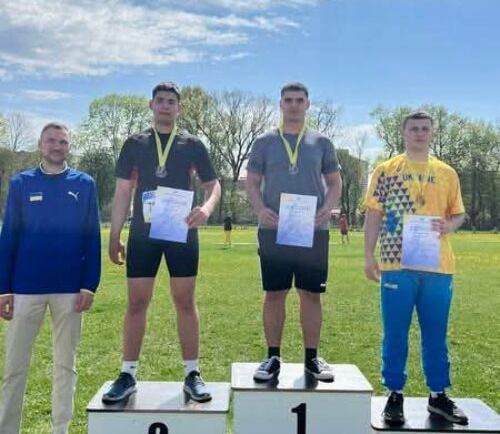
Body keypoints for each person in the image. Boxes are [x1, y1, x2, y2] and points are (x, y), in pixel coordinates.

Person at [102, 82, 221, 404]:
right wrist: (115, 234)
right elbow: (123, 191)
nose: (166, 105)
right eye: (161, 101)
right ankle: (127, 374)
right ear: (151, 105)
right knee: (137, 302)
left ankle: (192, 373)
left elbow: (213, 185)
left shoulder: (192, 144)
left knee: (185, 301)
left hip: (181, 232)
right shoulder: (134, 143)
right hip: (144, 234)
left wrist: (206, 209)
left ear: (179, 108)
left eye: (171, 101)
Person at [364, 110, 468, 426]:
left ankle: (438, 395)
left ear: (432, 133)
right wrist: (368, 255)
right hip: (396, 262)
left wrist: (449, 225)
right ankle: (394, 394)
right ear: (404, 133)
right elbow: (374, 215)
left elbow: (458, 214)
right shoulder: (386, 170)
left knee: (436, 332)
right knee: (395, 331)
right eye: (414, 129)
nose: (420, 133)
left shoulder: (447, 172)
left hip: (438, 265)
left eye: (425, 128)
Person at [0, 122, 101, 434]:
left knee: (65, 365)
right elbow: (8, 237)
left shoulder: (85, 184)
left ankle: (61, 429)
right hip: (25, 288)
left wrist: (89, 284)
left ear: (69, 146)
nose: (57, 146)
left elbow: (92, 237)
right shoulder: (21, 183)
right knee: (14, 367)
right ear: (40, 145)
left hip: (69, 289)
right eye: (51, 141)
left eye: (62, 142)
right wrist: (3, 289)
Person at [245, 82, 342, 382]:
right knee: (275, 293)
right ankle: (272, 356)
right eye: (289, 100)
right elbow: (251, 182)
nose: (294, 105)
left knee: (311, 294)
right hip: (274, 229)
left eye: (300, 100)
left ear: (308, 104)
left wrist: (327, 208)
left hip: (313, 230)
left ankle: (312, 358)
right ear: (280, 104)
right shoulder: (264, 141)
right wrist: (260, 210)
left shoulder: (322, 142)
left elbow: (335, 183)